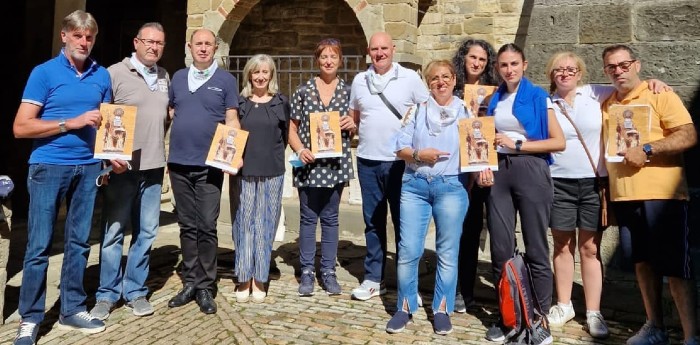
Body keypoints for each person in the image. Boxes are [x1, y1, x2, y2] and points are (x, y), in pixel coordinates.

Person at [11, 10, 128, 345]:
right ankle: (30, 318)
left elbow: (107, 128)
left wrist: (111, 159)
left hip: (89, 168)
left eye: (89, 36)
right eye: (77, 35)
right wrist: (69, 123)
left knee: (78, 244)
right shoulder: (43, 73)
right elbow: (21, 127)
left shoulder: (101, 75)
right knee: (38, 246)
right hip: (48, 166)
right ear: (64, 36)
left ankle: (72, 308)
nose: (84, 42)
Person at [543, 51, 671, 339]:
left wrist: (654, 82)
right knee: (562, 244)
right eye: (558, 70)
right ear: (551, 75)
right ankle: (563, 305)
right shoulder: (546, 102)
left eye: (570, 69)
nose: (564, 73)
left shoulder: (595, 93)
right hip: (557, 181)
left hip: (592, 183)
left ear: (580, 72)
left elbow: (630, 86)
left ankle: (593, 310)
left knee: (590, 248)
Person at [600, 44, 698, 345]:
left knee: (675, 266)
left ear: (637, 65)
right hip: (626, 195)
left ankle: (692, 336)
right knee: (642, 262)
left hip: (663, 194)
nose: (619, 71)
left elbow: (689, 133)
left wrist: (647, 149)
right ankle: (655, 327)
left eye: (624, 64)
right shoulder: (607, 103)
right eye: (612, 67)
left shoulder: (659, 94)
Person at [478, 43, 565, 344]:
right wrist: (483, 166)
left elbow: (558, 142)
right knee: (501, 248)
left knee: (536, 246)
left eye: (514, 64)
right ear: (498, 68)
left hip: (531, 169)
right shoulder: (494, 98)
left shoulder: (539, 97)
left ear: (524, 65)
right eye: (503, 65)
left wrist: (518, 144)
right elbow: (484, 138)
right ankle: (509, 317)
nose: (509, 70)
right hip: (499, 172)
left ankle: (539, 319)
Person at [90, 22, 170, 321]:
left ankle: (135, 290)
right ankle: (106, 294)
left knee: (147, 233)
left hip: (153, 167)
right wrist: (110, 159)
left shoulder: (164, 76)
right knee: (112, 233)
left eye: (160, 43)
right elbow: (102, 115)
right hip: (122, 168)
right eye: (149, 42)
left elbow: (165, 118)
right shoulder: (114, 73)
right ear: (136, 42)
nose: (154, 47)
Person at [385, 60, 469, 336]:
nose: (440, 82)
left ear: (455, 80)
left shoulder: (466, 111)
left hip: (450, 187)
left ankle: (442, 309)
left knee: (447, 252)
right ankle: (405, 306)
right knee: (408, 250)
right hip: (415, 186)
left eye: (446, 77)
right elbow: (400, 147)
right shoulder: (416, 110)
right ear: (428, 83)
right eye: (434, 78)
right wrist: (421, 155)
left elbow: (477, 147)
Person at [349, 32, 429, 301]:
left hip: (400, 163)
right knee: (373, 222)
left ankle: (408, 283)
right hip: (368, 160)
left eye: (384, 48)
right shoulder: (360, 80)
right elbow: (355, 117)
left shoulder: (410, 78)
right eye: (375, 49)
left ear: (393, 49)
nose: (379, 53)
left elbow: (425, 111)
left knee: (404, 223)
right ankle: (374, 279)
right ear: (368, 51)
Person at [166, 29, 240, 314]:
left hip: (210, 165)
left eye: (209, 44)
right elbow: (172, 112)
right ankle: (190, 281)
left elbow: (231, 120)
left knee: (207, 225)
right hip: (180, 164)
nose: (203, 48)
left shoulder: (225, 80)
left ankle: (206, 285)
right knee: (187, 225)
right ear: (190, 47)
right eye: (199, 43)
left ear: (215, 47)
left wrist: (234, 155)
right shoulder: (177, 78)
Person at [288, 38, 356, 297]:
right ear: (317, 60)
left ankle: (328, 272)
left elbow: (356, 126)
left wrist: (352, 124)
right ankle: (306, 272)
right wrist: (299, 149)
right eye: (324, 57)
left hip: (336, 165)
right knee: (307, 219)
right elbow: (292, 129)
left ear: (340, 60)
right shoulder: (303, 91)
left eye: (333, 57)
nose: (328, 61)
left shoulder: (348, 92)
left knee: (331, 219)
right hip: (309, 164)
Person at [230, 54, 289, 304]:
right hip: (244, 171)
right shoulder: (240, 103)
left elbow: (284, 137)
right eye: (256, 72)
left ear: (271, 75)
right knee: (244, 223)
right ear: (249, 75)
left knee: (265, 225)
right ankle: (243, 276)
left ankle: (260, 277)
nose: (261, 76)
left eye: (265, 72)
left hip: (272, 171)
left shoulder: (281, 103)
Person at [450, 38, 499, 313]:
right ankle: (460, 290)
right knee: (463, 231)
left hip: (487, 170)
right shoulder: (453, 88)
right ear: (464, 58)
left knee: (492, 233)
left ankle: (501, 291)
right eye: (473, 57)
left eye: (482, 59)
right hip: (458, 170)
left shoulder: (496, 91)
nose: (477, 63)